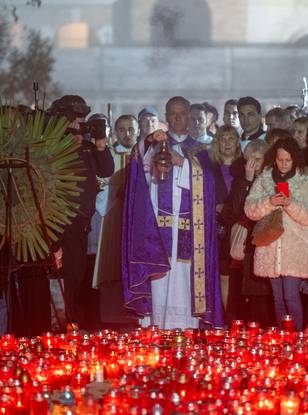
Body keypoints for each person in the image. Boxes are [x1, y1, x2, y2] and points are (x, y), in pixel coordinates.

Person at [122, 96, 223, 329]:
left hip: (190, 226)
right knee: (160, 276)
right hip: (158, 225)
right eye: (173, 114)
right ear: (166, 118)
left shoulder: (203, 149)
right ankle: (157, 326)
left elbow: (209, 186)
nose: (178, 118)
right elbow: (138, 170)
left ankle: (188, 328)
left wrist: (184, 163)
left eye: (182, 113)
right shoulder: (155, 145)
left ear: (190, 115)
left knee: (184, 275)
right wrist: (149, 140)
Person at [244, 138, 308, 331]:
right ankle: (282, 339)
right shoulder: (263, 179)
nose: (284, 164)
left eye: (288, 160)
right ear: (274, 159)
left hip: (295, 249)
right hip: (270, 248)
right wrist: (269, 202)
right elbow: (249, 209)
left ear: (295, 159)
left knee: (290, 295)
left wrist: (291, 204)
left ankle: (296, 337)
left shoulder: (306, 183)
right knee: (278, 297)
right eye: (280, 159)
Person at [52, 95, 114, 329]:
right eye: (75, 119)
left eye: (82, 119)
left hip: (81, 219)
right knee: (66, 273)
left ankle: (73, 321)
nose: (80, 124)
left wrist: (100, 145)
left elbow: (107, 169)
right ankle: (65, 321)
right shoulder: (50, 144)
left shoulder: (87, 146)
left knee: (77, 274)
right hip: (60, 218)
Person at [219, 139, 273, 324]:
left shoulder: (271, 181)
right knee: (237, 295)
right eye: (249, 159)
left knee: (259, 298)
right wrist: (247, 180)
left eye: (257, 159)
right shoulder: (241, 181)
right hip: (241, 251)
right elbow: (233, 210)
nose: (253, 164)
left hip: (261, 245)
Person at [92, 114, 139, 326]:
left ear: (137, 130)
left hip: (138, 218)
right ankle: (112, 319)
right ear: (115, 132)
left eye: (131, 129)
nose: (127, 134)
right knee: (111, 267)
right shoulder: (106, 157)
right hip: (113, 217)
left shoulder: (145, 154)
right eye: (121, 130)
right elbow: (100, 184)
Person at [209, 126, 242, 313]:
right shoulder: (210, 167)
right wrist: (215, 207)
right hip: (217, 225)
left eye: (231, 138)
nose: (227, 142)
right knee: (222, 274)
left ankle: (237, 315)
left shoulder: (246, 164)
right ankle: (223, 315)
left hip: (239, 224)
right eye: (223, 138)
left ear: (238, 142)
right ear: (217, 142)